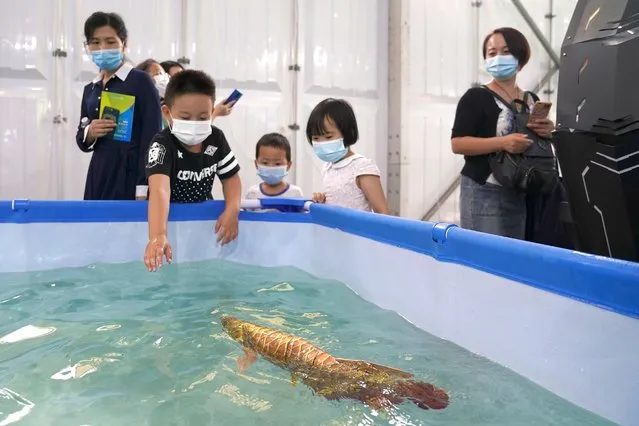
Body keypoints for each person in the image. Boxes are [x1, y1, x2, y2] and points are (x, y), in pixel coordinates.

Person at [451, 27, 556, 240]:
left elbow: (536, 141)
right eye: (492, 53)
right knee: (485, 259)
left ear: (520, 57)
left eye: (505, 51)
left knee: (512, 260)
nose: (498, 58)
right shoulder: (476, 96)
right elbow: (458, 144)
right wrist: (503, 143)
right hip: (484, 190)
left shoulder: (531, 99)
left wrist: (548, 131)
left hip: (521, 189)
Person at [143, 69, 242, 272]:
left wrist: (233, 209)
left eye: (203, 117)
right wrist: (158, 235)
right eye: (185, 118)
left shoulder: (216, 138)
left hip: (201, 222)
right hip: (169, 220)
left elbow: (230, 177)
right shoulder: (161, 145)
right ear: (167, 113)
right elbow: (160, 190)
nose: (195, 124)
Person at [75, 12, 162, 200]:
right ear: (87, 46)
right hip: (99, 173)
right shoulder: (90, 88)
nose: (103, 48)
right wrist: (90, 132)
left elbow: (152, 137)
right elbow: (81, 139)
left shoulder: (140, 81)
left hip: (129, 175)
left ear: (124, 43)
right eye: (95, 42)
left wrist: (143, 185)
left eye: (110, 41)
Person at [306, 98, 388, 214]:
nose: (322, 143)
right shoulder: (327, 167)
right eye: (315, 138)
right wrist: (322, 199)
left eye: (328, 137)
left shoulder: (362, 167)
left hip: (357, 232)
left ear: (347, 132)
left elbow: (382, 212)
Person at [244, 133, 303, 205]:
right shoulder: (252, 193)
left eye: (277, 163)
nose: (271, 168)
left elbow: (302, 215)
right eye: (265, 163)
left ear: (288, 165)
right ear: (256, 164)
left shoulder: (295, 193)